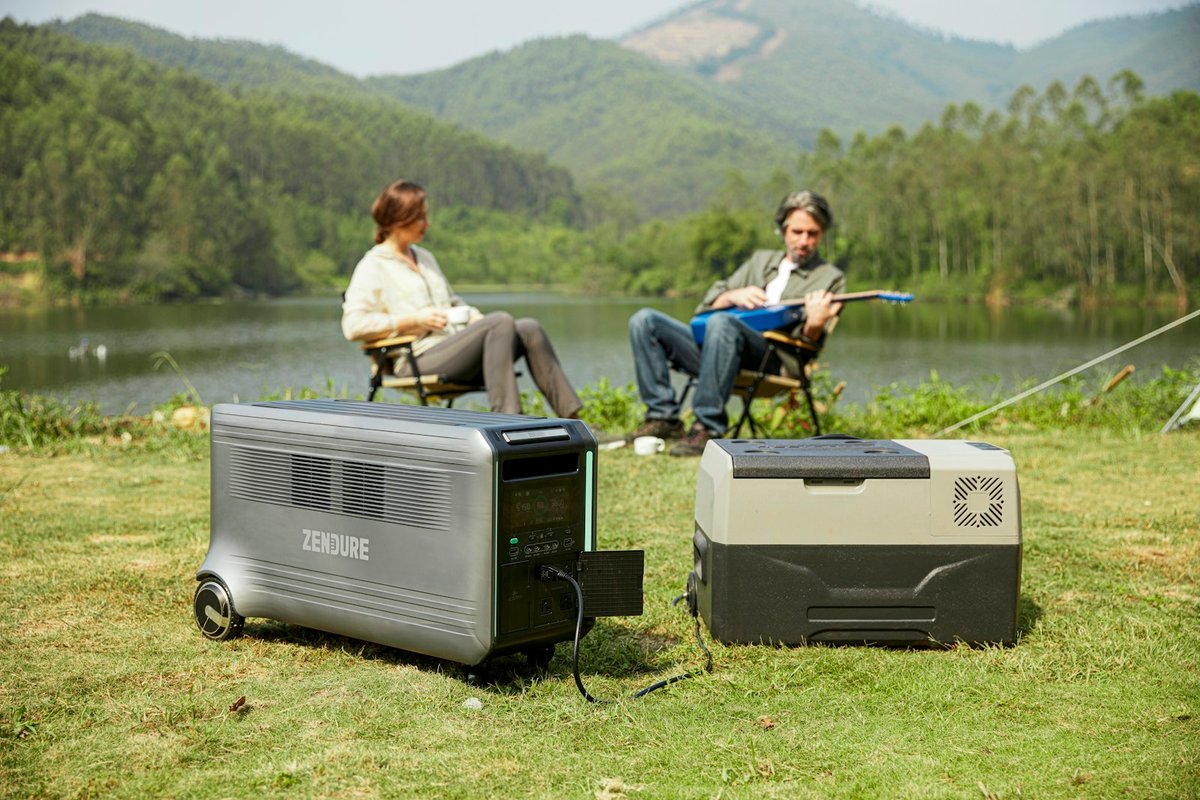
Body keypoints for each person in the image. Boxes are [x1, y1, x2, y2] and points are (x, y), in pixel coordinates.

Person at [627, 190, 845, 456]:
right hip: (717, 351)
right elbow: (706, 304)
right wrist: (732, 295)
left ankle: (708, 426)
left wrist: (815, 321)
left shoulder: (830, 278)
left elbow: (808, 346)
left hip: (773, 360)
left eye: (812, 234)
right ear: (783, 230)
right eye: (797, 232)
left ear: (822, 234)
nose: (804, 241)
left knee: (723, 322)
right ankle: (664, 419)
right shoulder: (760, 261)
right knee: (645, 320)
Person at [341, 179, 582, 418]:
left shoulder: (425, 258)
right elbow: (354, 326)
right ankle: (509, 421)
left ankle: (575, 422)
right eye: (420, 218)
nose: (427, 223)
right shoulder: (373, 266)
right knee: (500, 321)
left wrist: (486, 324)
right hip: (416, 359)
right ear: (398, 218)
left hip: (455, 347)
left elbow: (454, 304)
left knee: (529, 328)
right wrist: (414, 320)